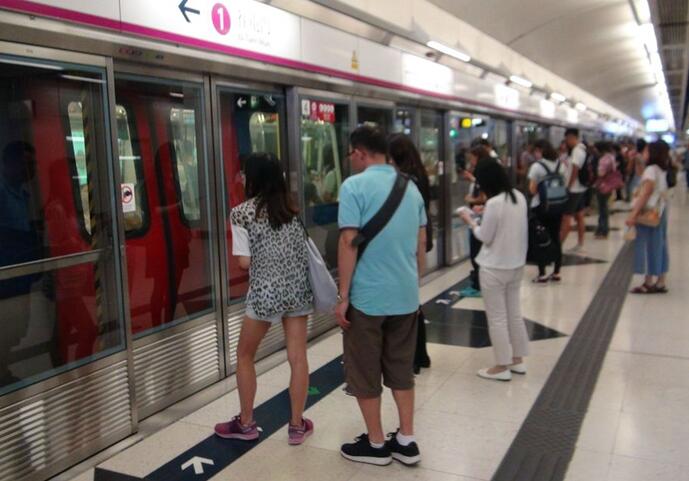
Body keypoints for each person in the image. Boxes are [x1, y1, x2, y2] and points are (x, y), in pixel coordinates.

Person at [336, 125, 426, 466]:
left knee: (364, 369)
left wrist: (343, 295)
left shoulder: (353, 186)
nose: (350, 159)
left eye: (351, 154)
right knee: (402, 367)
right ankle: (406, 440)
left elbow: (349, 242)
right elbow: (420, 245)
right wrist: (413, 287)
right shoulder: (411, 188)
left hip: (368, 298)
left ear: (360, 153)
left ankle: (376, 444)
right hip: (405, 296)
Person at [214, 153, 315, 445]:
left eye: (245, 173)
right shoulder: (291, 209)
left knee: (245, 355)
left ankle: (246, 423)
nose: (242, 177)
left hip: (264, 294)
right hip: (296, 291)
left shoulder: (240, 213)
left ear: (253, 178)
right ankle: (297, 426)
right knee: (298, 357)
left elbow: (244, 262)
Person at [458, 160, 529, 381]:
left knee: (497, 318)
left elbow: (484, 236)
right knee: (514, 314)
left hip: (494, 268)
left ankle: (501, 366)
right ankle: (517, 359)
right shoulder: (519, 197)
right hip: (516, 264)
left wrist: (470, 220)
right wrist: (484, 213)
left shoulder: (494, 203)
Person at [388, 133, 432, 375]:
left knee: (411, 304)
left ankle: (415, 355)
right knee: (413, 300)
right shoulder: (420, 175)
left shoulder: (406, 181)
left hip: (411, 241)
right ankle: (421, 354)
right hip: (419, 238)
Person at [626, 141, 670, 294]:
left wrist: (633, 214)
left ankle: (648, 282)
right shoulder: (661, 169)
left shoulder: (651, 170)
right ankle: (661, 281)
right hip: (660, 211)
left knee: (647, 245)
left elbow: (646, 193)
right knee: (660, 244)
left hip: (648, 212)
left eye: (646, 151)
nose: (643, 153)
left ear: (652, 153)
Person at [529, 139, 566, 283]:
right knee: (556, 237)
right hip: (558, 206)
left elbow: (532, 189)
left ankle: (542, 273)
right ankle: (556, 272)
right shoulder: (561, 165)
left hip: (541, 207)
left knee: (540, 238)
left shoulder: (537, 166)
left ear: (539, 150)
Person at [461, 146, 490, 297]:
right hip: (479, 216)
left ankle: (478, 286)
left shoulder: (482, 172)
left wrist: (471, 200)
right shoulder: (482, 173)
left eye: (472, 158)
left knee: (476, 252)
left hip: (478, 218)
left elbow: (483, 196)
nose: (470, 161)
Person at [560, 128, 587, 252]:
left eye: (567, 139)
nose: (566, 142)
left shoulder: (576, 151)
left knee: (566, 217)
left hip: (574, 190)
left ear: (572, 137)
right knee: (580, 216)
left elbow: (575, 170)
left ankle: (558, 247)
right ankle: (580, 243)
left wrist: (568, 187)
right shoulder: (582, 149)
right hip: (580, 188)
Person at [593, 141, 617, 239]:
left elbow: (600, 173)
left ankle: (603, 230)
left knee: (602, 208)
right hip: (609, 185)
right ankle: (601, 229)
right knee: (604, 207)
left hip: (602, 185)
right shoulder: (611, 157)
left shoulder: (603, 159)